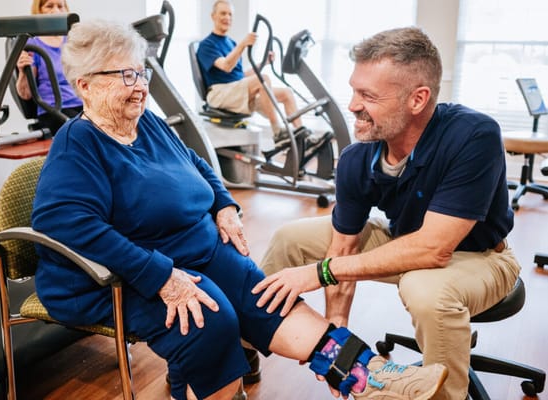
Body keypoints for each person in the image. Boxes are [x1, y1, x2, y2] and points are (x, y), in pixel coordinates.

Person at [31, 19, 448, 400]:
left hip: (195, 253)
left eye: (140, 71)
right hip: (118, 277)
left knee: (264, 296)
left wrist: (225, 206)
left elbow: (197, 166)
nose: (139, 84)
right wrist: (159, 275)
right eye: (124, 75)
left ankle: (372, 377)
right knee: (211, 319)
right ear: (85, 85)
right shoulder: (78, 144)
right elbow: (63, 221)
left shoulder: (149, 124)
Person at [254, 27, 522, 400]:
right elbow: (343, 246)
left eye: (367, 95)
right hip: (406, 240)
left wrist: (320, 273)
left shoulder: (474, 136)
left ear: (418, 99)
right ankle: (248, 341)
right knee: (290, 238)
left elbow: (434, 250)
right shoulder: (357, 157)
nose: (351, 105)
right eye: (353, 90)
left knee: (425, 288)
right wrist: (337, 334)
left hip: (480, 257)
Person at [197, 0, 309, 144]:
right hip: (219, 94)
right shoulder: (207, 44)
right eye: (223, 13)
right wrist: (243, 44)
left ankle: (303, 140)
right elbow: (226, 66)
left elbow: (240, 76)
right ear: (213, 16)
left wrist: (264, 62)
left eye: (230, 14)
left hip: (235, 91)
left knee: (287, 93)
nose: (227, 17)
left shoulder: (230, 43)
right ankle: (278, 131)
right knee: (263, 79)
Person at [15, 0, 83, 134]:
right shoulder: (32, 44)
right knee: (83, 131)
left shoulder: (72, 40)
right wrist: (22, 71)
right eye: (49, 6)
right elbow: (26, 94)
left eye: (60, 6)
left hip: (81, 105)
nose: (56, 10)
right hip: (54, 109)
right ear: (39, 10)